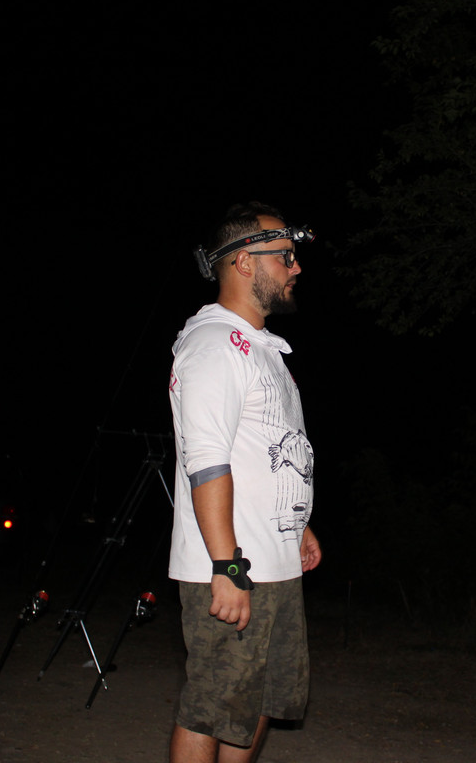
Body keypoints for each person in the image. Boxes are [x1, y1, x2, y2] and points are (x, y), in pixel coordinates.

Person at [167, 202, 322, 763]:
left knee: (259, 701)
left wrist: (298, 525)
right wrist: (226, 565)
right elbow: (207, 462)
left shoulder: (263, 349)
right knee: (212, 706)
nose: (295, 267)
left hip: (273, 560)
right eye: (284, 256)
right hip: (235, 566)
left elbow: (271, 451)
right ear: (243, 263)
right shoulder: (213, 344)